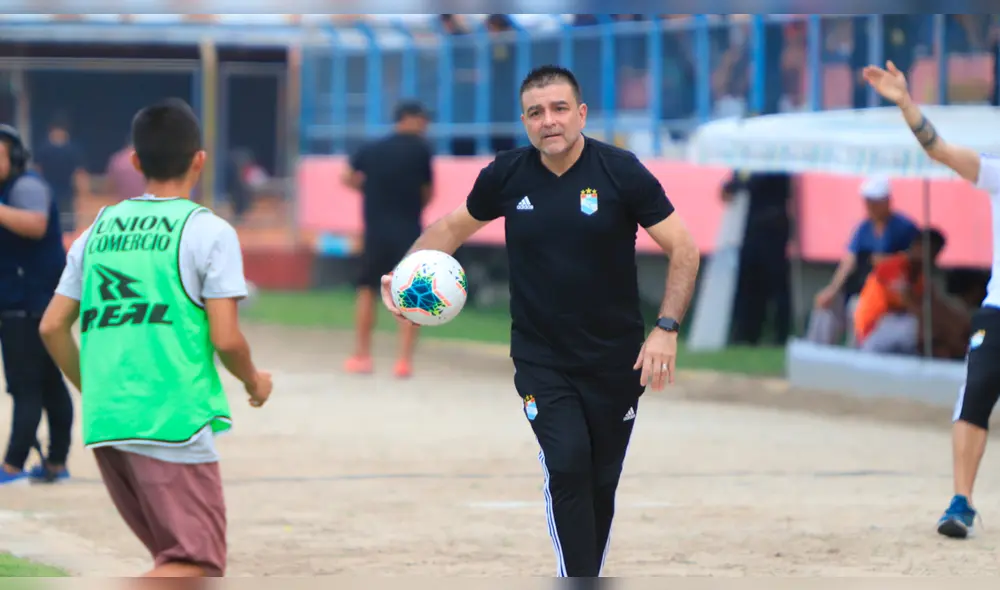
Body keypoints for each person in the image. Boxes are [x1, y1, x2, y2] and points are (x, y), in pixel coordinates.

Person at [379, 66, 700, 577]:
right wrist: (403, 275)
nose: (548, 121)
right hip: (540, 358)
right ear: (524, 121)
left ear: (581, 114)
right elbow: (451, 227)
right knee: (568, 462)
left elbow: (684, 248)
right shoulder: (507, 175)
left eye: (558, 109)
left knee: (600, 480)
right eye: (535, 112)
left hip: (617, 358)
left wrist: (666, 328)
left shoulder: (621, 171)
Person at [38, 98, 273, 577]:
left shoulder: (94, 231)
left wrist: (95, 387)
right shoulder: (208, 231)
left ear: (136, 162)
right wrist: (253, 382)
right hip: (171, 419)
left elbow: (51, 325)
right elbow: (227, 339)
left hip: (109, 421)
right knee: (195, 562)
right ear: (199, 160)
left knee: (173, 561)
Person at [864, 59, 1000, 539]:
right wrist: (906, 103)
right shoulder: (997, 172)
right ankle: (960, 502)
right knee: (976, 394)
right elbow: (939, 150)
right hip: (999, 310)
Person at [0, 124, 75, 486]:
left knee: (27, 386)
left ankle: (13, 465)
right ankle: (55, 463)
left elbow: (35, 224)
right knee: (47, 384)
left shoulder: (26, 187)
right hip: (26, 301)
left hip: (30, 302)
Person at [342, 100, 434, 378]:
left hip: (375, 230)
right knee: (411, 293)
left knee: (367, 289)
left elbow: (347, 176)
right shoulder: (421, 150)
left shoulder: (373, 148)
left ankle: (362, 356)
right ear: (410, 118)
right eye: (423, 119)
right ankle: (403, 361)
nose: (426, 125)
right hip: (408, 231)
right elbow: (428, 192)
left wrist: (369, 189)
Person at [805, 175, 920, 347]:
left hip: (886, 294)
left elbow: (914, 261)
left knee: (857, 307)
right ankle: (816, 351)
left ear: (887, 201)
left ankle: (856, 353)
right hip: (860, 288)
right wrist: (832, 289)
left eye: (875, 201)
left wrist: (885, 262)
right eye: (867, 201)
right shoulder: (863, 228)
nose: (870, 206)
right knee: (826, 307)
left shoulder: (904, 228)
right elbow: (849, 261)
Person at [852, 227, 946, 355]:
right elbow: (908, 301)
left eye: (935, 254)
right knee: (921, 327)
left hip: (895, 327)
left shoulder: (921, 278)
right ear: (917, 246)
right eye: (929, 252)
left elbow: (933, 306)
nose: (931, 258)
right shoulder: (893, 266)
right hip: (873, 330)